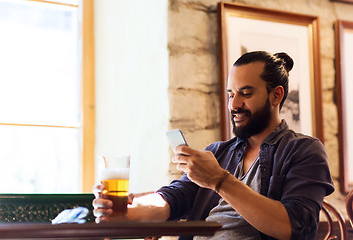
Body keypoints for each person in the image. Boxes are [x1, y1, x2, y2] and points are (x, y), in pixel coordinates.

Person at [93, 51, 334, 240]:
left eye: (246, 94)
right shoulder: (218, 153)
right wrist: (127, 209)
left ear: (276, 96)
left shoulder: (304, 150)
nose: (234, 104)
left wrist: (219, 180)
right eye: (231, 94)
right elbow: (171, 200)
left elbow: (295, 228)